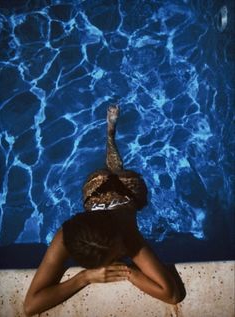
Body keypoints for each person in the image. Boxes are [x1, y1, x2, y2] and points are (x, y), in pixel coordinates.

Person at [23, 106, 186, 316]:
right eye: (120, 252)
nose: (124, 253)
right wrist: (84, 278)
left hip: (126, 190)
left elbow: (172, 294)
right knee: (115, 168)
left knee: (129, 185)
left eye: (120, 251)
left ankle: (110, 133)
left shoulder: (127, 234)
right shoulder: (68, 235)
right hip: (95, 187)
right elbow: (30, 307)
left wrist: (129, 273)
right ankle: (110, 133)